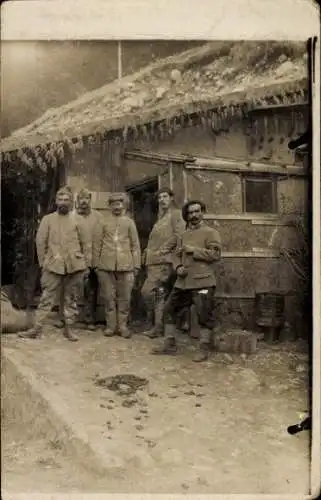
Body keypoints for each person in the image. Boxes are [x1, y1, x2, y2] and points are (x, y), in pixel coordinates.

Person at [151, 200, 221, 362]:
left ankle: (204, 348)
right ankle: (169, 345)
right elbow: (176, 254)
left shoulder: (211, 232)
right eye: (190, 213)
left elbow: (215, 255)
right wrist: (178, 267)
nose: (194, 215)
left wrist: (194, 250)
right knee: (169, 310)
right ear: (186, 216)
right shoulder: (182, 235)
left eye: (197, 211)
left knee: (204, 314)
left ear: (202, 212)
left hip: (203, 283)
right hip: (183, 283)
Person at [18, 186, 91, 342]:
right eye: (60, 199)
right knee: (46, 297)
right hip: (53, 264)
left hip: (74, 266)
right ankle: (36, 328)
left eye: (66, 200)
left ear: (71, 202)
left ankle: (69, 328)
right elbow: (40, 242)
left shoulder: (78, 220)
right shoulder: (48, 219)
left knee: (71, 298)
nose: (63, 203)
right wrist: (44, 262)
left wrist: (85, 264)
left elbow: (86, 244)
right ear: (56, 201)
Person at [93, 192, 141, 339]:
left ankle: (123, 326)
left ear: (123, 205)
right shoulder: (103, 222)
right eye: (114, 204)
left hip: (126, 266)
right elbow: (97, 245)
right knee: (108, 298)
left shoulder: (129, 223)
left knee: (125, 298)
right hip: (105, 266)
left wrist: (136, 265)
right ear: (110, 206)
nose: (117, 207)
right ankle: (110, 326)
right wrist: (96, 265)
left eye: (119, 204)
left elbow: (135, 245)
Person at [141, 188, 185, 338]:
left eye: (165, 196)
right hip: (153, 262)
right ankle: (158, 326)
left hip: (163, 262)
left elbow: (178, 235)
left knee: (149, 292)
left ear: (171, 198)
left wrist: (163, 250)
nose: (162, 200)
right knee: (158, 295)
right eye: (160, 198)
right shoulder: (161, 217)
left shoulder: (176, 214)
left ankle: (159, 325)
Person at [72, 188, 103, 330]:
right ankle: (74, 317)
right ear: (77, 201)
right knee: (78, 287)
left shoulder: (98, 217)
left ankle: (91, 318)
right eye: (81, 198)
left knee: (93, 288)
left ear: (91, 200)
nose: (84, 201)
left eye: (87, 198)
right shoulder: (73, 217)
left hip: (96, 259)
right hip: (79, 258)